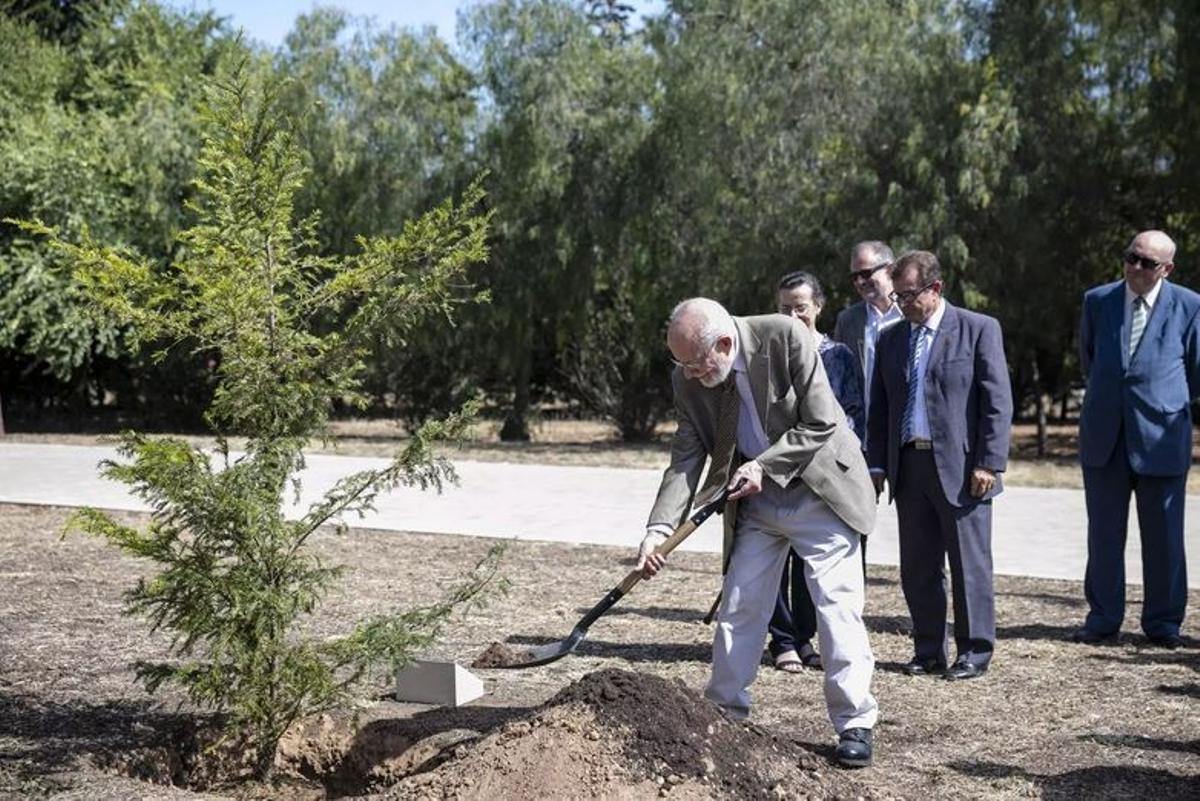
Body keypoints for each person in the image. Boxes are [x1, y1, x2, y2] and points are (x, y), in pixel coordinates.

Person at [636, 298, 879, 768]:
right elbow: (686, 458)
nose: (688, 374)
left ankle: (855, 722)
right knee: (740, 605)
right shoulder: (687, 380)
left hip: (819, 491)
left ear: (725, 343)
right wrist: (657, 529)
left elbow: (822, 421)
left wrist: (764, 467)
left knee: (836, 607)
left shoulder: (785, 337)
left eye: (694, 363)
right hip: (757, 505)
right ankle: (724, 712)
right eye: (680, 363)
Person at [867, 251, 1012, 680]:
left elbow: (996, 402)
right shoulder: (892, 338)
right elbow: (880, 409)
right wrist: (877, 464)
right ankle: (928, 649)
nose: (901, 304)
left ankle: (974, 651)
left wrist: (989, 462)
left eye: (909, 295)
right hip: (909, 466)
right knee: (918, 565)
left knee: (969, 564)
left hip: (964, 469)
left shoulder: (978, 330)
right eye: (897, 295)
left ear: (936, 288)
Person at [1073, 230, 1200, 649]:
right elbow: (1090, 358)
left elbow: (1195, 371)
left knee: (1164, 536)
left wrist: (1163, 402)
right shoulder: (1098, 300)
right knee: (1104, 533)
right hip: (1105, 435)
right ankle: (1103, 618)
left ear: (1167, 268)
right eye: (1131, 257)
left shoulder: (1190, 306)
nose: (1135, 267)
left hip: (1161, 437)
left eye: (1146, 262)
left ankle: (1163, 623)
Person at [770, 271, 864, 674]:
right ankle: (783, 640)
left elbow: (853, 415)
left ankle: (805, 636)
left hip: (824, 476)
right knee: (774, 557)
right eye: (784, 309)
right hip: (777, 471)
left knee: (812, 563)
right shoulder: (769, 356)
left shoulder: (838, 355)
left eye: (801, 308)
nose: (793, 316)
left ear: (819, 307)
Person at [833, 241, 903, 438]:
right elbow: (841, 380)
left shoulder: (912, 313)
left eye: (865, 274)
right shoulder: (848, 321)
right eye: (854, 277)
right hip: (865, 437)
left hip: (908, 434)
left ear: (890, 270)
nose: (859, 282)